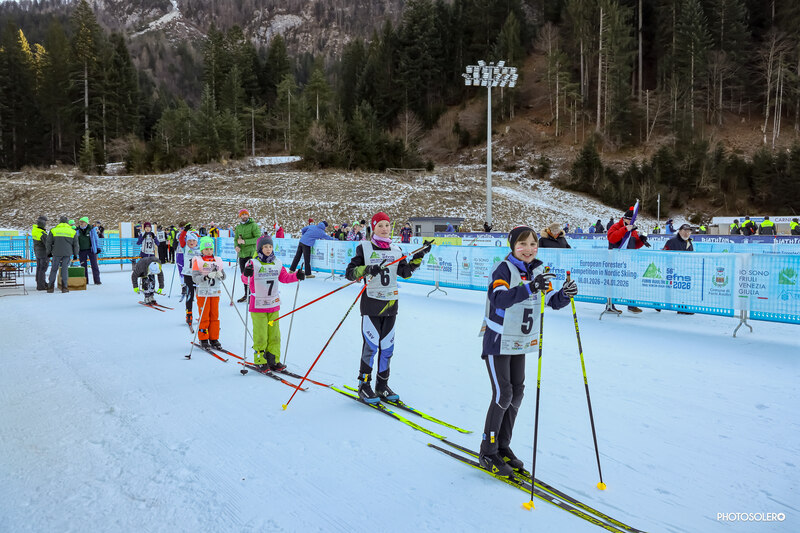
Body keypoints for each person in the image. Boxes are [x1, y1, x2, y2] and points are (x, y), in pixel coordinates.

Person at [478, 225, 576, 477]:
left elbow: (551, 300)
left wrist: (565, 294)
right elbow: (499, 298)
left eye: (533, 244)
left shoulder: (539, 270)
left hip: (520, 341)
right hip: (498, 340)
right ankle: (488, 451)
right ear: (512, 246)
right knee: (503, 393)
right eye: (522, 244)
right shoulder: (503, 269)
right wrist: (531, 287)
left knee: (517, 392)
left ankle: (502, 446)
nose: (529, 249)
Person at [344, 212, 431, 403]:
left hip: (391, 305)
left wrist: (420, 255)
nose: (385, 229)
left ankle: (382, 385)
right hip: (371, 305)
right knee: (371, 347)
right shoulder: (364, 248)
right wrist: (367, 269)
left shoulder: (396, 250)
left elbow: (405, 272)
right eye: (380, 225)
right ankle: (364, 385)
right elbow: (350, 273)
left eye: (387, 225)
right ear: (373, 228)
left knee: (387, 348)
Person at [242, 235, 304, 371]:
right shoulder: (252, 263)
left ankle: (273, 359)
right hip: (258, 306)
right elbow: (245, 279)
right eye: (265, 247)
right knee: (261, 335)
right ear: (260, 248)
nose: (268, 249)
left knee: (275, 335)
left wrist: (296, 276)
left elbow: (285, 277)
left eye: (270, 246)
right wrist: (246, 273)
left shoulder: (277, 263)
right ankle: (260, 360)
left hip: (273, 305)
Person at [607, 206, 650, 314]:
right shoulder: (615, 226)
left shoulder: (633, 230)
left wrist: (641, 241)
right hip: (615, 260)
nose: (632, 222)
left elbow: (634, 245)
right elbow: (611, 238)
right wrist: (625, 229)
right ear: (624, 218)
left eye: (633, 220)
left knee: (630, 283)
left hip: (628, 260)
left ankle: (631, 305)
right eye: (630, 219)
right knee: (614, 284)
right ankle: (610, 306)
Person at [192, 237, 226, 349]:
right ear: (202, 250)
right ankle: (203, 338)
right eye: (206, 249)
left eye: (211, 249)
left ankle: (214, 338)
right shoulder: (198, 261)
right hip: (203, 293)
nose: (209, 251)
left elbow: (224, 276)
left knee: (214, 315)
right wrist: (206, 277)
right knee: (204, 315)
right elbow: (195, 278)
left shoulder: (217, 260)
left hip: (215, 292)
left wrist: (221, 275)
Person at [663, 224, 695, 315]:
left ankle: (682, 307)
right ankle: (660, 304)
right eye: (685, 231)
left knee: (683, 289)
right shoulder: (671, 241)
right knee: (671, 289)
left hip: (685, 270)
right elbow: (664, 255)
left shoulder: (689, 242)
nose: (687, 233)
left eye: (689, 231)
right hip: (674, 271)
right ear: (679, 231)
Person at [45, 216, 78, 293]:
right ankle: (64, 287)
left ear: (59, 222)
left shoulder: (53, 230)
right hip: (67, 253)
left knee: (54, 269)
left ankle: (50, 287)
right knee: (65, 269)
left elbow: (48, 243)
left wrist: (49, 252)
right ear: (67, 222)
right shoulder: (72, 231)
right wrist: (75, 254)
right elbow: (76, 245)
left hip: (56, 253)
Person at [233, 209, 260, 303]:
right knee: (244, 276)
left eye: (246, 214)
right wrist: (236, 246)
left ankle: (253, 295)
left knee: (252, 276)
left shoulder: (253, 225)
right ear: (240, 216)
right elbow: (236, 239)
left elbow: (258, 238)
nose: (244, 216)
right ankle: (246, 294)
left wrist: (245, 241)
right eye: (242, 214)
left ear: (248, 215)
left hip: (251, 254)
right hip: (242, 254)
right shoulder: (238, 227)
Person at [181, 232, 201, 326]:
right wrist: (184, 231)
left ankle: (202, 314)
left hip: (198, 276)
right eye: (189, 240)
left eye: (193, 240)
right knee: (189, 295)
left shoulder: (201, 249)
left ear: (197, 242)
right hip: (188, 275)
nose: (191, 242)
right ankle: (189, 314)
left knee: (200, 295)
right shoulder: (185, 248)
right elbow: (181, 239)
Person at [76, 217, 101, 285]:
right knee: (83, 266)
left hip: (91, 250)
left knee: (94, 265)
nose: (81, 223)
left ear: (86, 223)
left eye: (82, 222)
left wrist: (98, 247)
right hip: (81, 251)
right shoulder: (77, 230)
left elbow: (96, 239)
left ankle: (97, 280)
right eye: (80, 222)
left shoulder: (91, 229)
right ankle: (85, 281)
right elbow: (75, 241)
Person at [32, 215, 49, 291]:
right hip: (43, 253)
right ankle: (41, 285)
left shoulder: (35, 230)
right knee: (43, 269)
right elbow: (47, 244)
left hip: (37, 252)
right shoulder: (42, 233)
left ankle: (39, 282)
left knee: (39, 268)